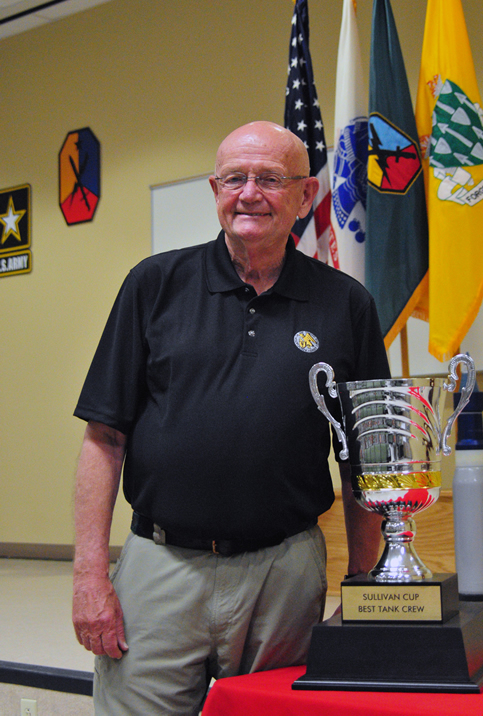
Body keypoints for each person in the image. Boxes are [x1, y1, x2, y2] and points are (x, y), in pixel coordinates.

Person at [72, 120, 390, 715]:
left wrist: (365, 581)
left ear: (305, 197)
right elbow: (103, 437)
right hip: (161, 566)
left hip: (285, 573)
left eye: (270, 179)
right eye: (234, 178)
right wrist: (90, 578)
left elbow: (363, 459)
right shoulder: (153, 285)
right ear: (215, 190)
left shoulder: (347, 304)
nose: (249, 193)